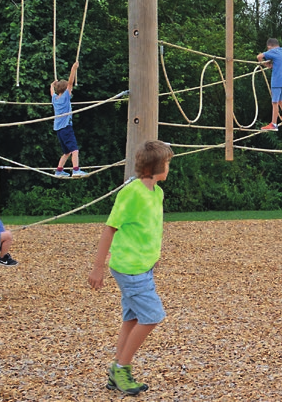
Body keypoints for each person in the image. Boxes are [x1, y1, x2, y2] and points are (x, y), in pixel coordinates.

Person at [89, 140, 174, 396]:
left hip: (143, 266)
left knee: (134, 317)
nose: (169, 167)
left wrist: (154, 256)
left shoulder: (156, 192)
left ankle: (117, 369)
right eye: (167, 163)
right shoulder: (131, 192)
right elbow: (110, 228)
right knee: (153, 316)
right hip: (129, 267)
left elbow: (149, 228)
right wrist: (97, 266)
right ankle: (122, 368)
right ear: (157, 165)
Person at [50, 61, 87, 177]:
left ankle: (59, 170)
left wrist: (52, 85)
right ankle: (76, 170)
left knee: (66, 152)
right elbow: (70, 83)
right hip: (66, 127)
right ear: (66, 90)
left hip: (59, 129)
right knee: (75, 150)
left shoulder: (55, 99)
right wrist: (73, 69)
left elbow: (52, 91)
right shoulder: (66, 97)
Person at [257, 38, 282, 131]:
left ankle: (274, 123)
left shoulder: (273, 51)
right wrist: (270, 64)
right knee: (280, 100)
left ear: (269, 47)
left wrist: (264, 64)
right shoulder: (281, 51)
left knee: (274, 102)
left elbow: (259, 57)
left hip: (276, 81)